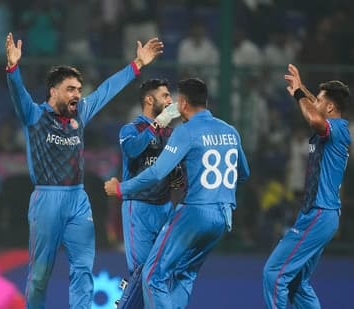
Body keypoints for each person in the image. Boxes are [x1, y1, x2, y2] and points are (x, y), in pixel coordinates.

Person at [5, 32, 163, 308]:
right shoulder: (35, 115)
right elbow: (19, 95)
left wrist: (136, 64)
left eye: (78, 89)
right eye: (71, 89)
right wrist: (13, 69)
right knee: (40, 275)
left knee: (83, 269)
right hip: (46, 200)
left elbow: (106, 90)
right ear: (53, 92)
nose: (77, 94)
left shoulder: (80, 112)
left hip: (78, 200)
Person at [105, 78, 250, 309]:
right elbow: (243, 173)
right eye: (165, 96)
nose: (170, 101)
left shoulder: (180, 132)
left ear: (183, 103)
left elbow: (162, 173)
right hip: (213, 216)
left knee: (154, 275)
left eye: (173, 97)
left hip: (181, 211)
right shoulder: (230, 131)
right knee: (168, 273)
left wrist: (121, 188)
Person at [262, 64, 351, 309]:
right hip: (318, 213)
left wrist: (300, 94)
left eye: (320, 100)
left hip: (319, 213)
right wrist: (303, 89)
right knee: (297, 284)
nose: (315, 103)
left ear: (330, 107)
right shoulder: (333, 126)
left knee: (274, 273)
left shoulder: (339, 129)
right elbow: (318, 110)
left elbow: (314, 118)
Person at [116, 78, 183, 308]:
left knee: (162, 271)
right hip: (139, 208)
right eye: (165, 96)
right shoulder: (130, 130)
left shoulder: (171, 133)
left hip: (165, 208)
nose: (169, 101)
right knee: (141, 272)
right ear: (149, 99)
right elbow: (133, 150)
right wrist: (156, 125)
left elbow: (175, 173)